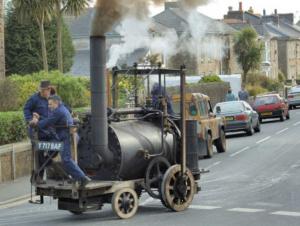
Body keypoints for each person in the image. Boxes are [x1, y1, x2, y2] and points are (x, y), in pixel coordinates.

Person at [30, 95, 91, 186]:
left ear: (56, 103)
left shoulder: (59, 111)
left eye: (50, 104)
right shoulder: (60, 109)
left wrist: (36, 124)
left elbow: (49, 122)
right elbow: (50, 120)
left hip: (65, 138)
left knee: (66, 159)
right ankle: (76, 176)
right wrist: (39, 119)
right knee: (53, 155)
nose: (49, 106)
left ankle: (82, 178)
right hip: (63, 137)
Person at [24, 80, 52, 183]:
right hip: (36, 132)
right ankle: (38, 177)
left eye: (49, 89)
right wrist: (30, 119)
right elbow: (26, 109)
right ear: (42, 90)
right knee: (39, 154)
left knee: (56, 148)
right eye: (46, 90)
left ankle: (36, 173)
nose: (48, 92)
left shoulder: (51, 98)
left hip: (48, 131)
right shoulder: (34, 99)